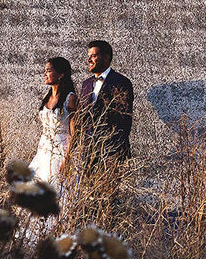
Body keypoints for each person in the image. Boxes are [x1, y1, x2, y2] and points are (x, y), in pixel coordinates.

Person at [73, 40, 134, 176]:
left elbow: (124, 120)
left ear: (106, 57)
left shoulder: (121, 82)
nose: (89, 59)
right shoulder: (86, 84)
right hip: (88, 154)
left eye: (93, 56)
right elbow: (82, 118)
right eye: (88, 56)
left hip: (111, 153)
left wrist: (113, 153)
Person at [28, 57, 78, 186]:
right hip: (43, 149)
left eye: (48, 71)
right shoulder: (46, 96)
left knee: (57, 188)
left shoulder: (70, 98)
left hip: (61, 150)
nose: (44, 74)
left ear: (61, 74)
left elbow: (75, 132)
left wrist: (67, 159)